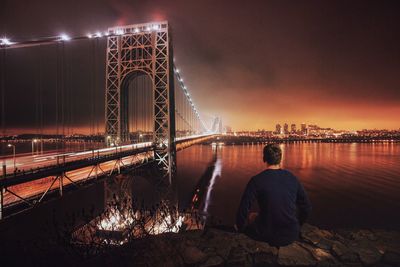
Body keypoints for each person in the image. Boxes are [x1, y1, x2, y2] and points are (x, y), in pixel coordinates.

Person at [235, 144, 311, 247]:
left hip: (267, 234)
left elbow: (244, 208)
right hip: (290, 234)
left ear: (264, 158)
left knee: (251, 216)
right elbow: (306, 206)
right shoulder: (291, 177)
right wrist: (297, 224)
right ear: (280, 159)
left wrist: (240, 226)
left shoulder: (256, 180)